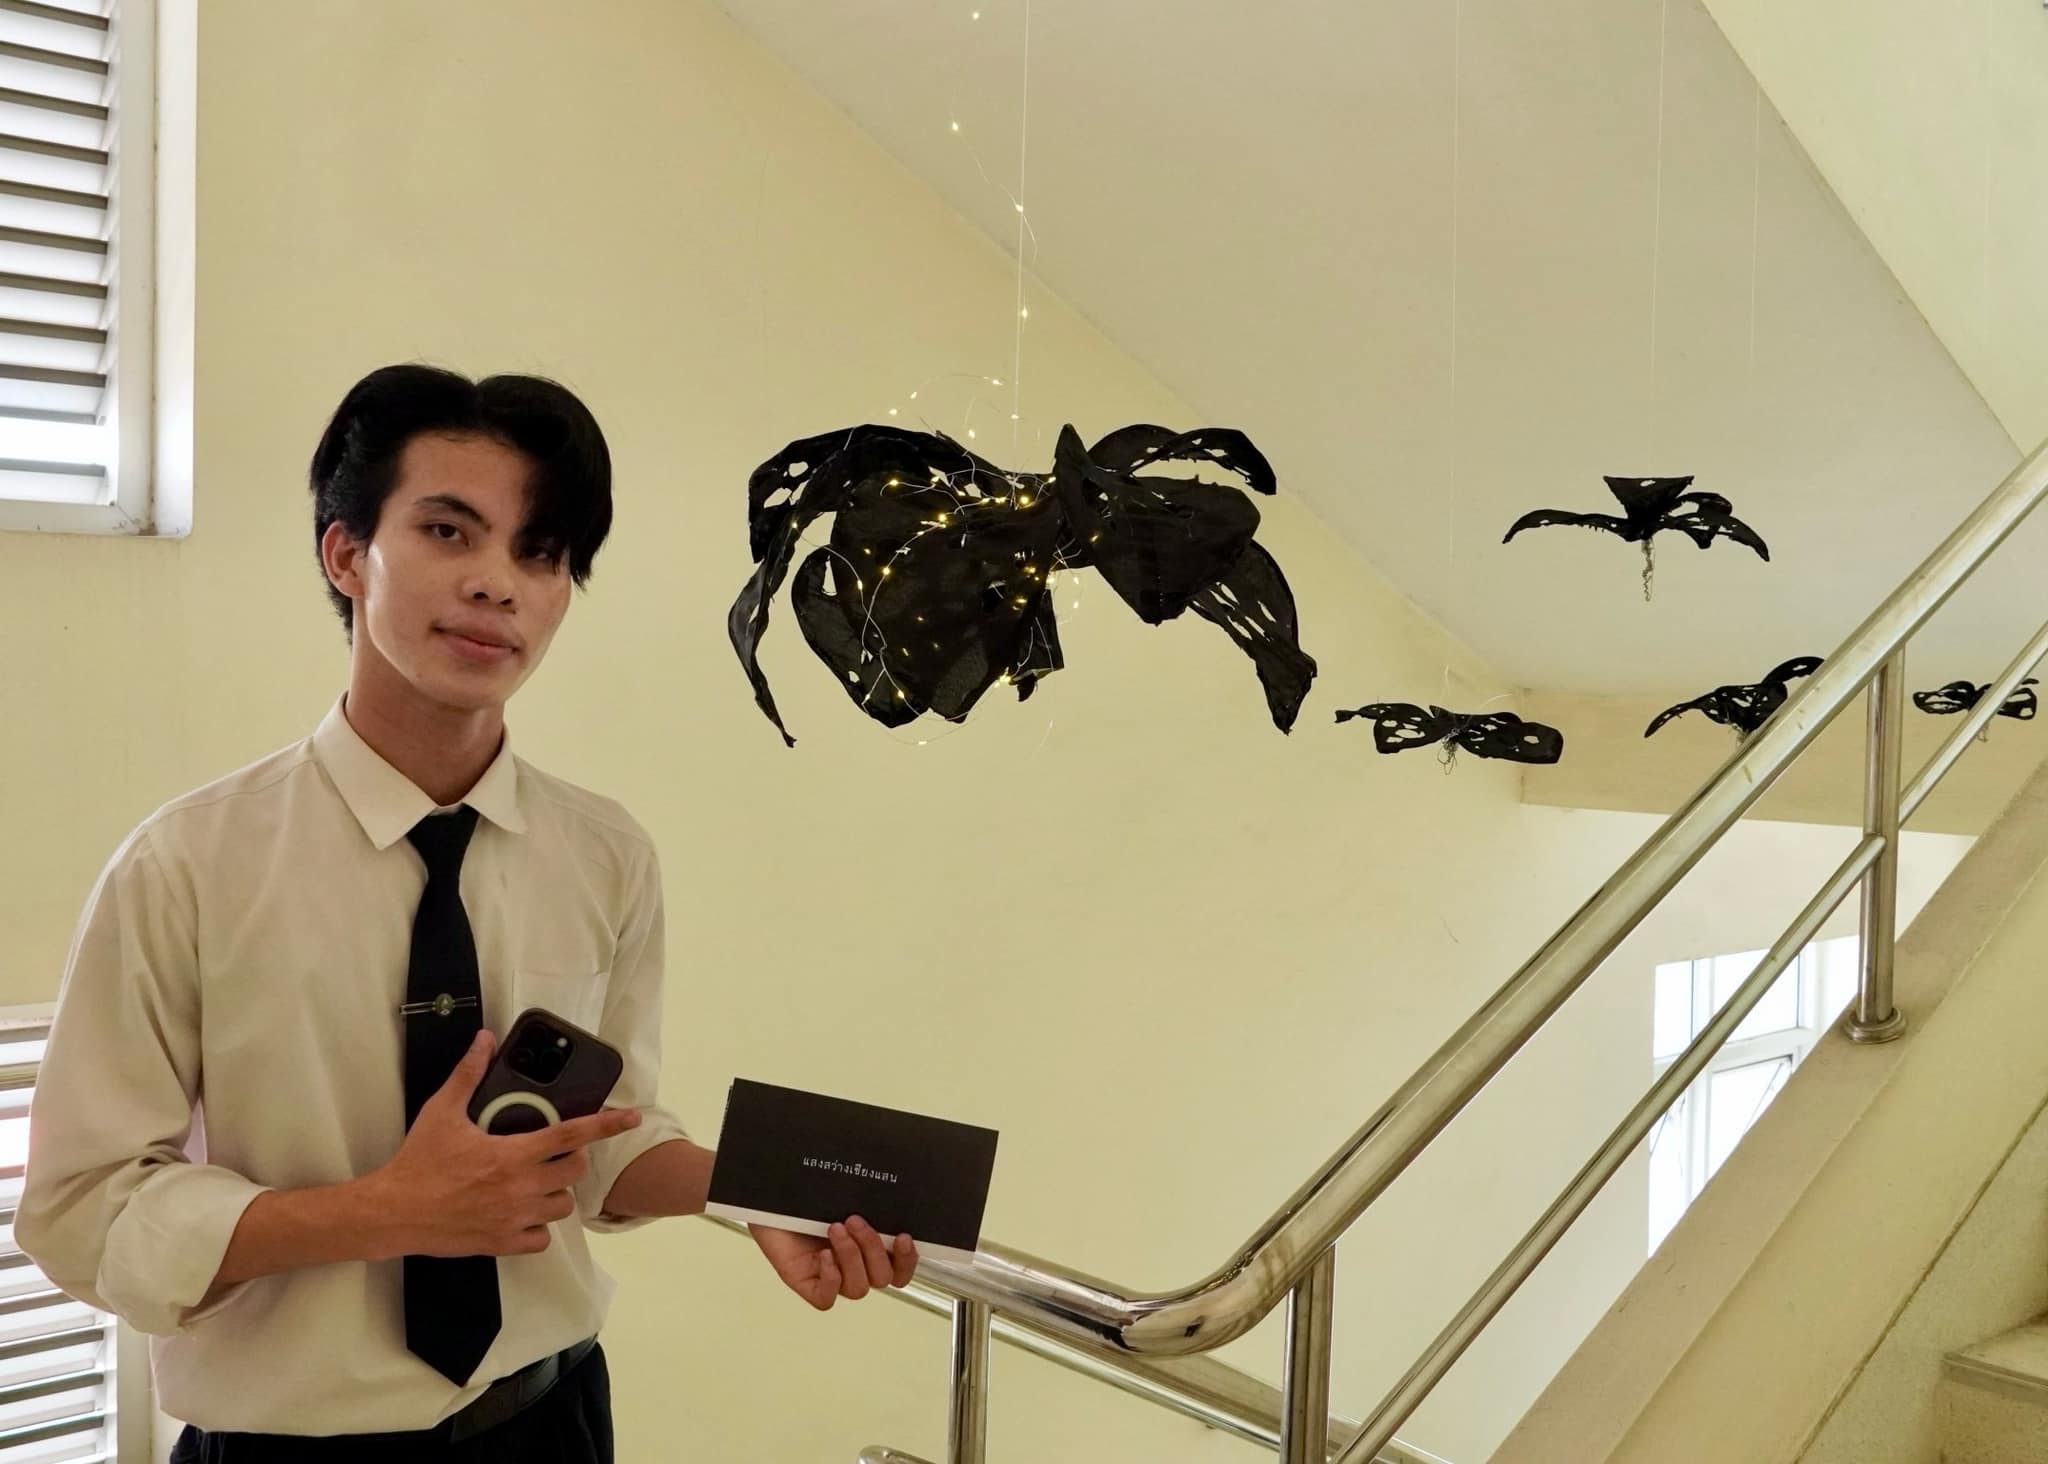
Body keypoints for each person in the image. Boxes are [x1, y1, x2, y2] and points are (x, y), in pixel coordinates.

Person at [16, 364, 917, 1462]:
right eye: (448, 532)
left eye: (540, 553)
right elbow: (82, 1210)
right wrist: (385, 1211)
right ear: (346, 554)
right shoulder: (185, 867)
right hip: (287, 1443)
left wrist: (751, 1196)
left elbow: (599, 1137)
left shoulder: (604, 854)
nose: (497, 584)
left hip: (549, 1420)